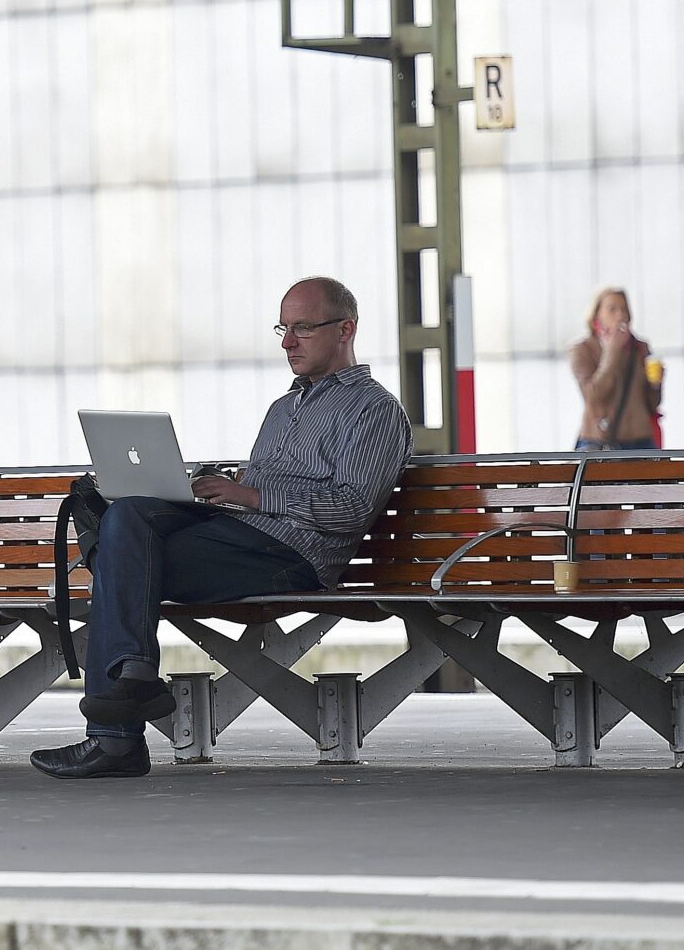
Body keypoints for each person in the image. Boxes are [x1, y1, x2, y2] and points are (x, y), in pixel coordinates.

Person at [31, 276, 412, 781]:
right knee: (124, 510)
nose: (287, 343)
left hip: (292, 557)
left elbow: (352, 508)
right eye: (282, 328)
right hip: (239, 535)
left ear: (346, 329)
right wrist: (210, 487)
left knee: (121, 562)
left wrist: (251, 495)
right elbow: (257, 491)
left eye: (302, 328)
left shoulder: (374, 410)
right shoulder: (284, 408)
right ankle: (133, 676)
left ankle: (117, 735)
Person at [571, 287, 663, 451]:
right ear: (597, 315)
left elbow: (651, 403)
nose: (620, 315)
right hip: (601, 440)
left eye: (623, 309)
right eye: (612, 309)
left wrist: (656, 384)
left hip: (640, 440)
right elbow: (593, 394)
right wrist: (611, 353)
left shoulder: (640, 348)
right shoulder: (583, 349)